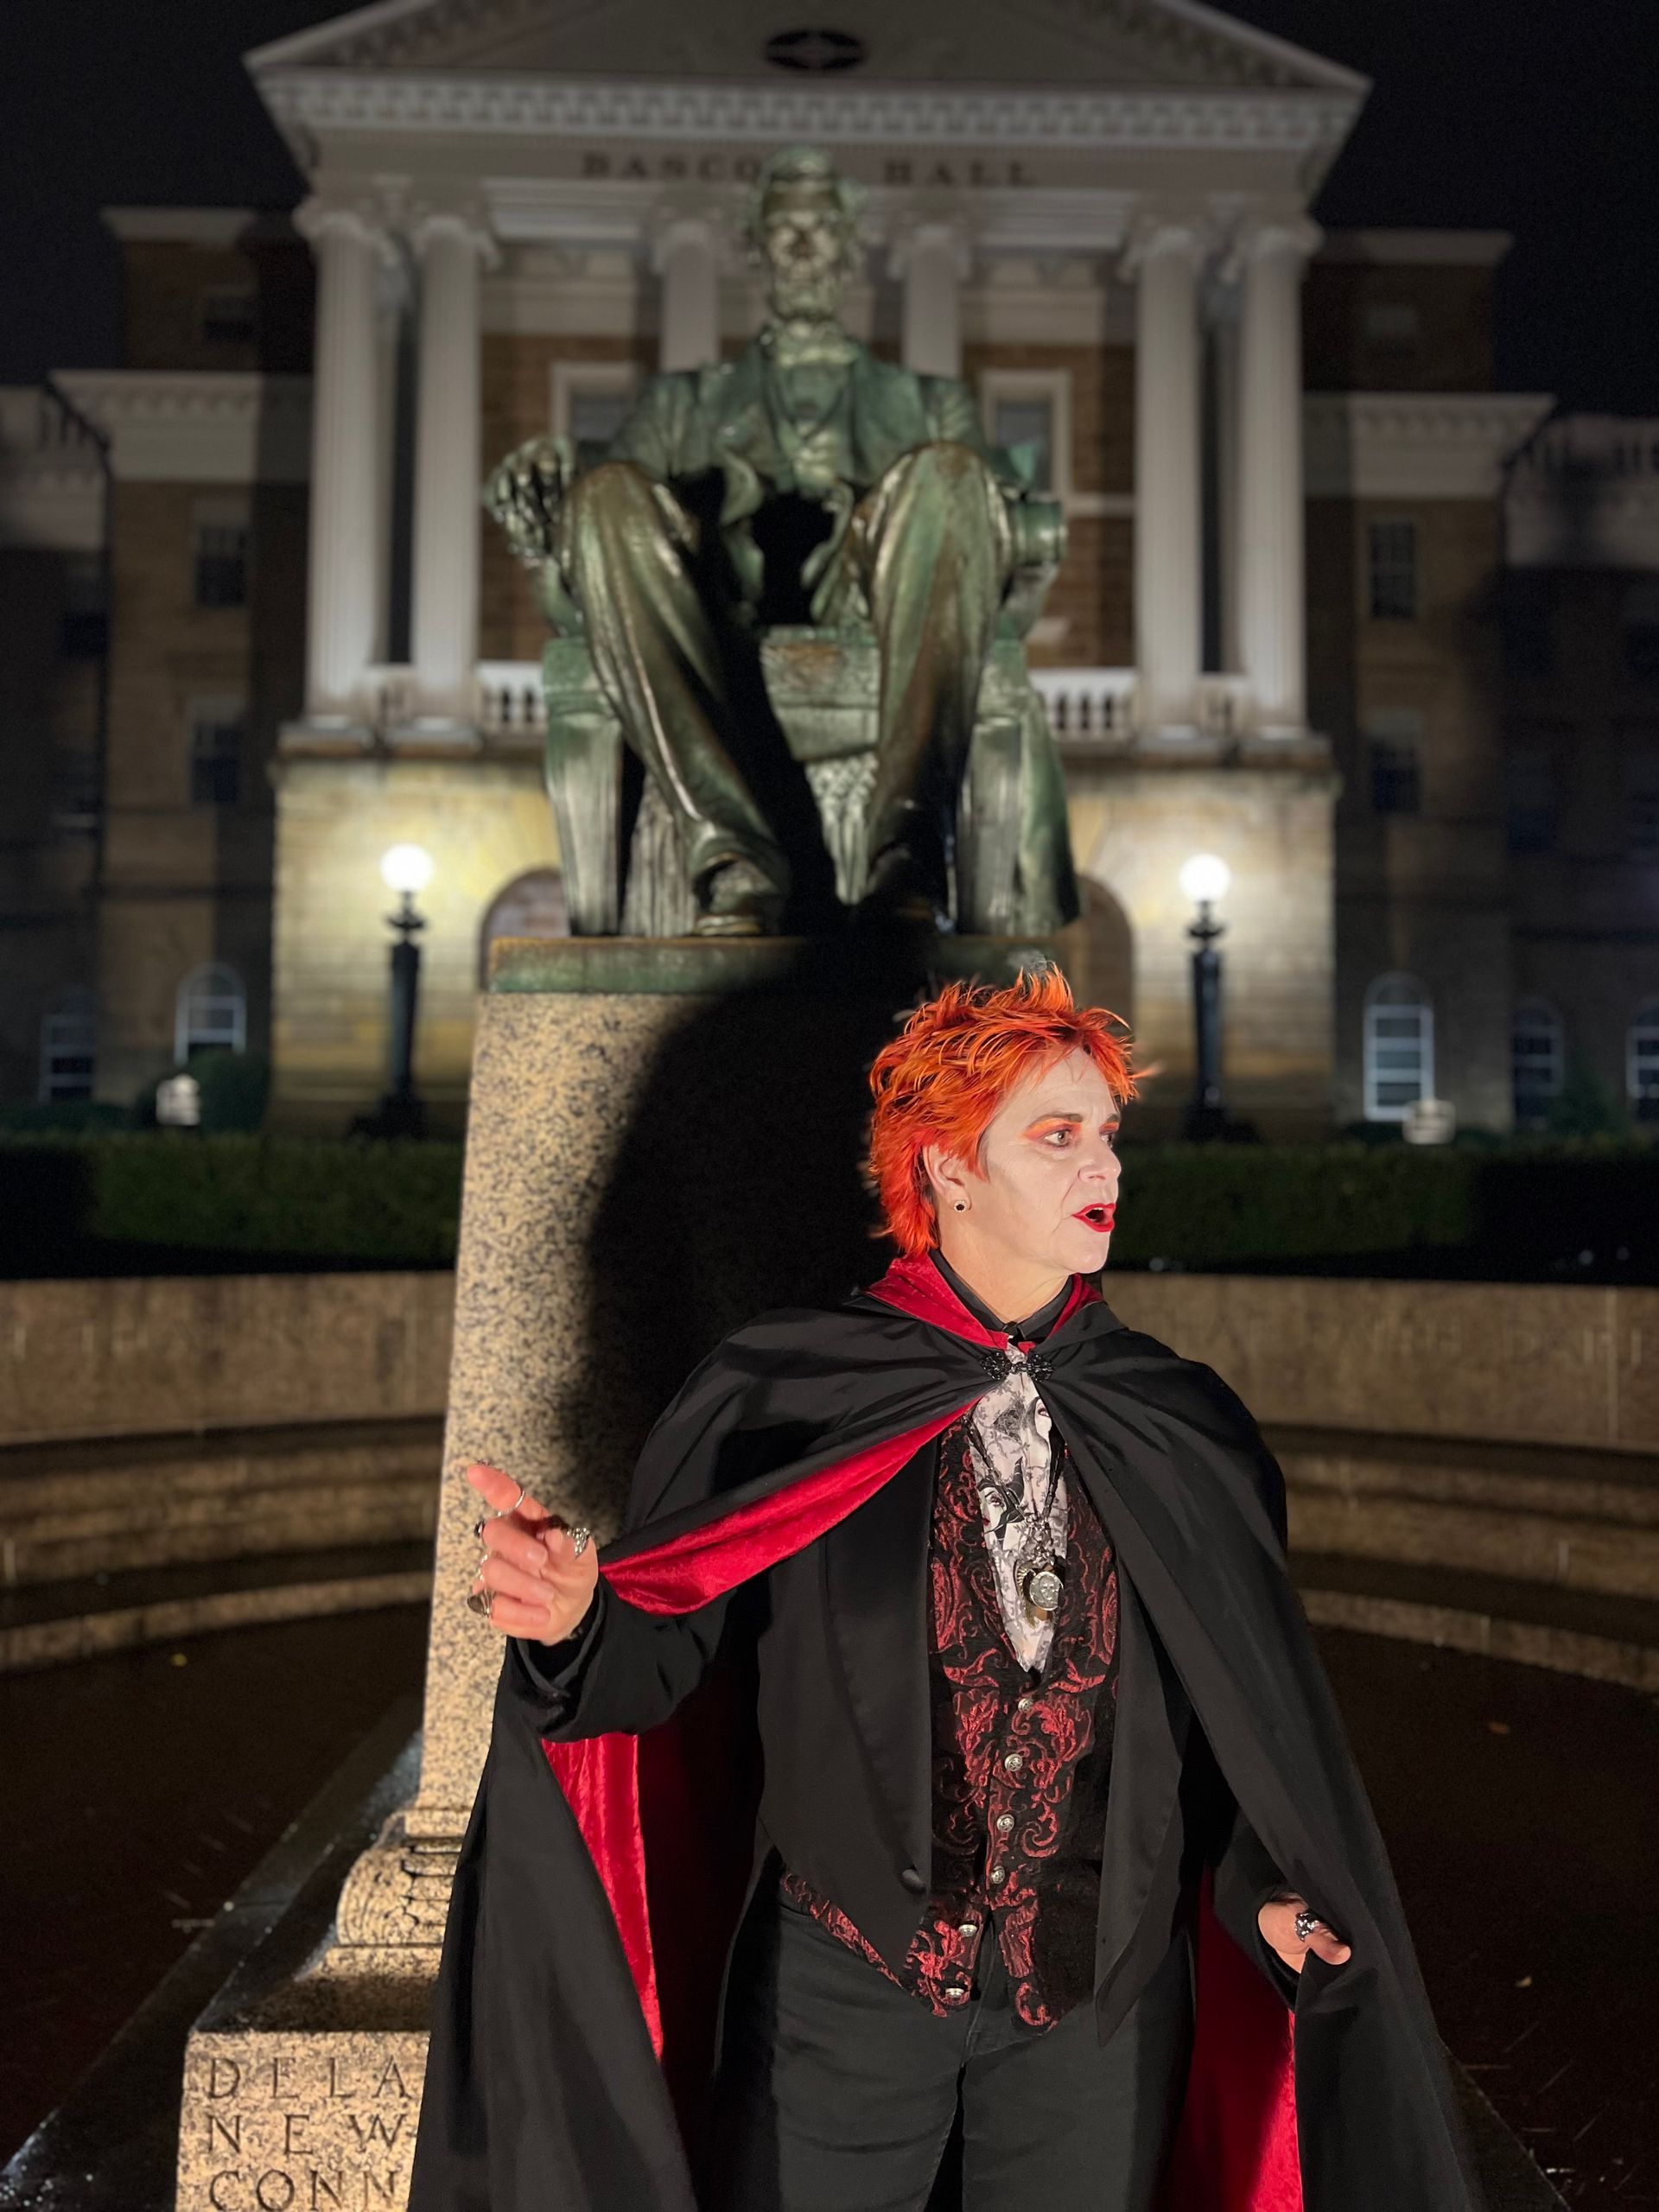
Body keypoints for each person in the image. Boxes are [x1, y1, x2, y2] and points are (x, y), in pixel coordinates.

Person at [409, 968, 1484, 2212]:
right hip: (839, 2000)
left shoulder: (1184, 1426)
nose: (1107, 1169)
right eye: (1057, 1135)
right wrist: (579, 1620)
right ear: (948, 1168)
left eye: (1108, 1134)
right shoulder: (783, 1398)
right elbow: (665, 1664)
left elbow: (1235, 1724)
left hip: (1100, 2022)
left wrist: (1265, 1894)